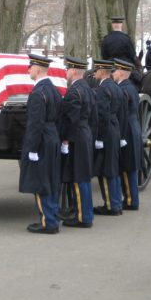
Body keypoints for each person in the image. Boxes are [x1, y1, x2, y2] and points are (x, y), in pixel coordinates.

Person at [19, 54, 62, 234]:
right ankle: (52, 217)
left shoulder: (38, 93)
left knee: (41, 181)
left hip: (42, 141)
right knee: (51, 180)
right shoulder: (53, 89)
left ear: (37, 70)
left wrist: (32, 149)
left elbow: (35, 125)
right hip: (53, 138)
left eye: (30, 67)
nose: (28, 70)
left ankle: (48, 222)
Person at [60, 55, 97, 228]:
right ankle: (84, 212)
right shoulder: (87, 88)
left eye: (68, 69)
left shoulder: (75, 91)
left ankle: (83, 217)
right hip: (85, 133)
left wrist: (65, 139)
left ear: (74, 71)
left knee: (79, 176)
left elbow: (71, 119)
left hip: (77, 137)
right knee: (83, 176)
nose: (66, 72)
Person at [93, 58, 127, 216]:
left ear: (102, 71)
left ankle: (111, 205)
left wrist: (99, 137)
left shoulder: (103, 89)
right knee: (113, 168)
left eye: (96, 70)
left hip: (106, 132)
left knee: (105, 170)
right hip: (115, 129)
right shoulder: (115, 87)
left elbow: (102, 115)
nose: (95, 72)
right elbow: (121, 113)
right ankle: (116, 202)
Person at [112, 58, 143, 210]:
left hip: (127, 129)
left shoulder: (123, 89)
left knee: (126, 165)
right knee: (129, 166)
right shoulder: (130, 87)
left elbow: (121, 112)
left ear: (121, 73)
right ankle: (131, 198)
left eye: (115, 71)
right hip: (133, 126)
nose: (113, 73)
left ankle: (131, 200)